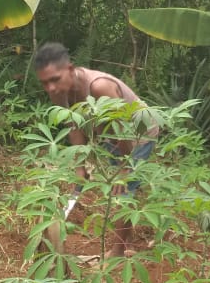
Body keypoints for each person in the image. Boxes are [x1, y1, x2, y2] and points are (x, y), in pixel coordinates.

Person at [34, 42, 155, 258]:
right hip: (110, 136)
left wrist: (125, 168)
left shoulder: (100, 87)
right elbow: (74, 124)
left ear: (70, 70)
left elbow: (123, 130)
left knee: (122, 191)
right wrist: (80, 166)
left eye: (55, 79)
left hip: (138, 134)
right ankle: (128, 243)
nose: (51, 88)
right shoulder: (59, 93)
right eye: (45, 83)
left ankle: (118, 251)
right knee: (119, 190)